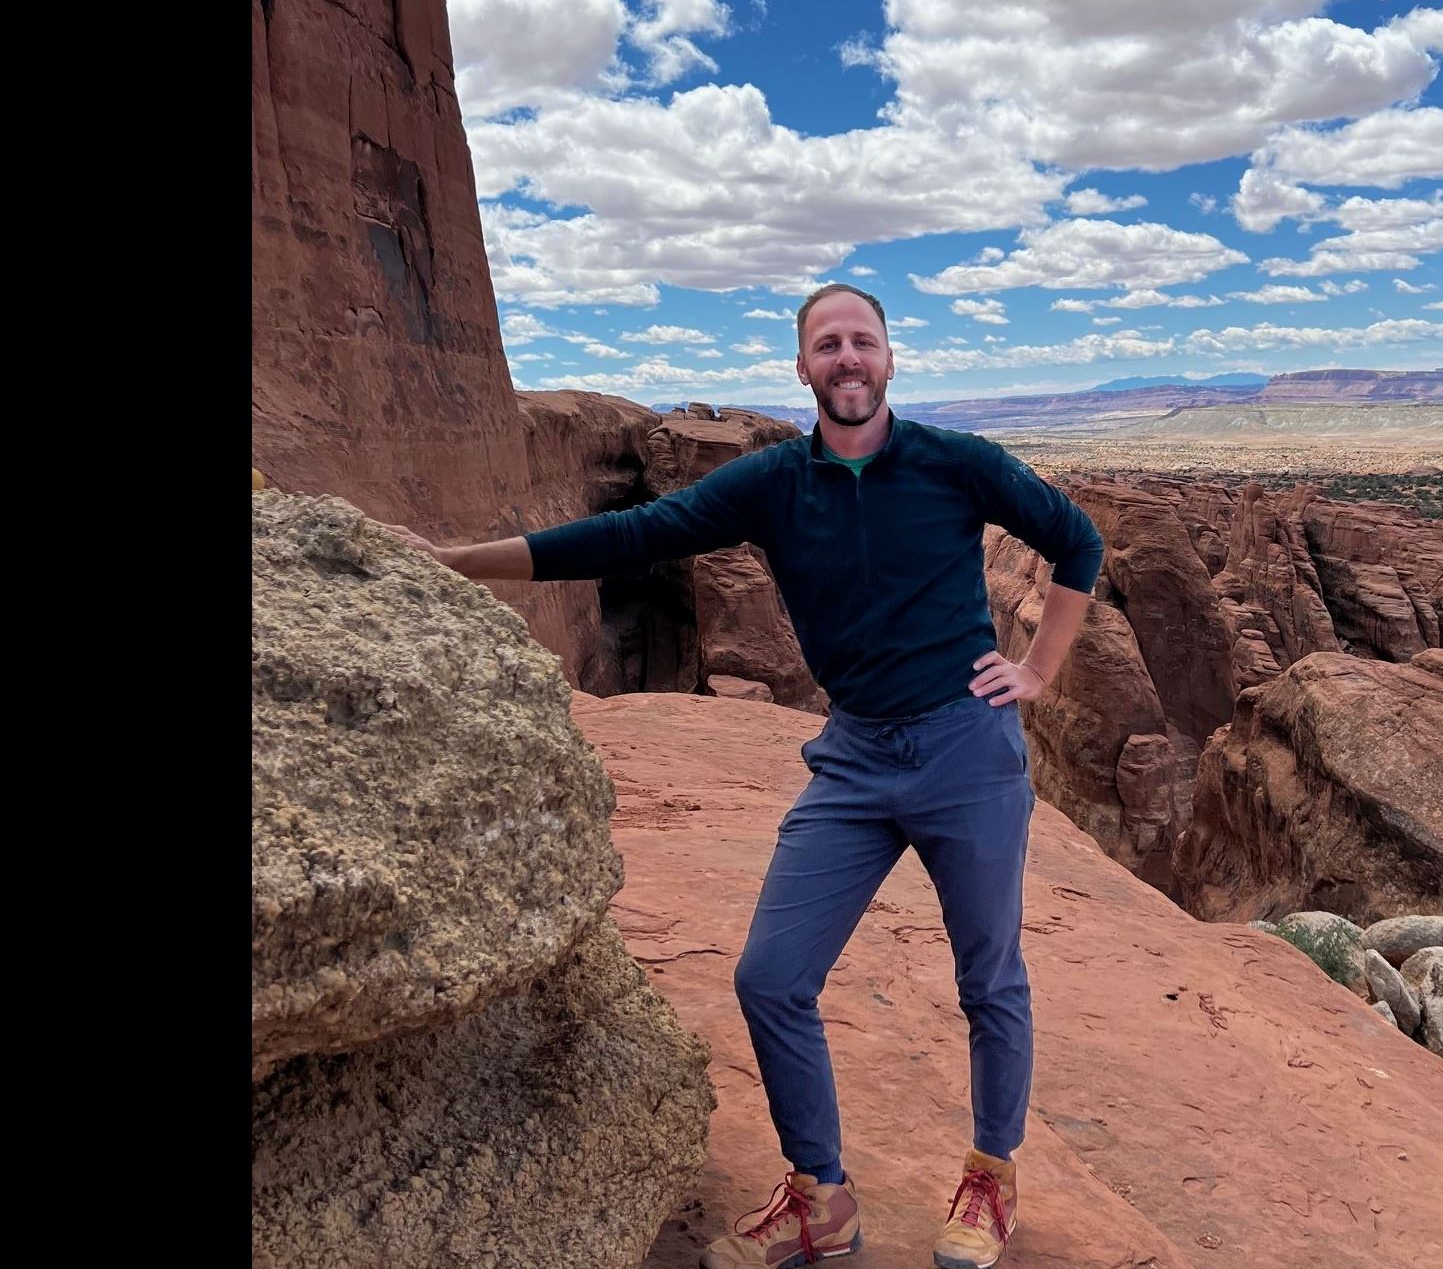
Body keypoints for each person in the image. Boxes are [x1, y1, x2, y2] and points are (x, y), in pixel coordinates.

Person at [389, 283, 1101, 1269]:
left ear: (889, 359)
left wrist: (1039, 670)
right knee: (770, 977)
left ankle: (991, 1177)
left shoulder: (954, 463)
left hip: (964, 752)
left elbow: (1077, 540)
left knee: (989, 978)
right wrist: (461, 561)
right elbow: (634, 534)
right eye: (827, 346)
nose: (847, 359)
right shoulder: (774, 484)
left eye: (862, 342)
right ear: (803, 368)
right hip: (853, 758)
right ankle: (822, 1196)